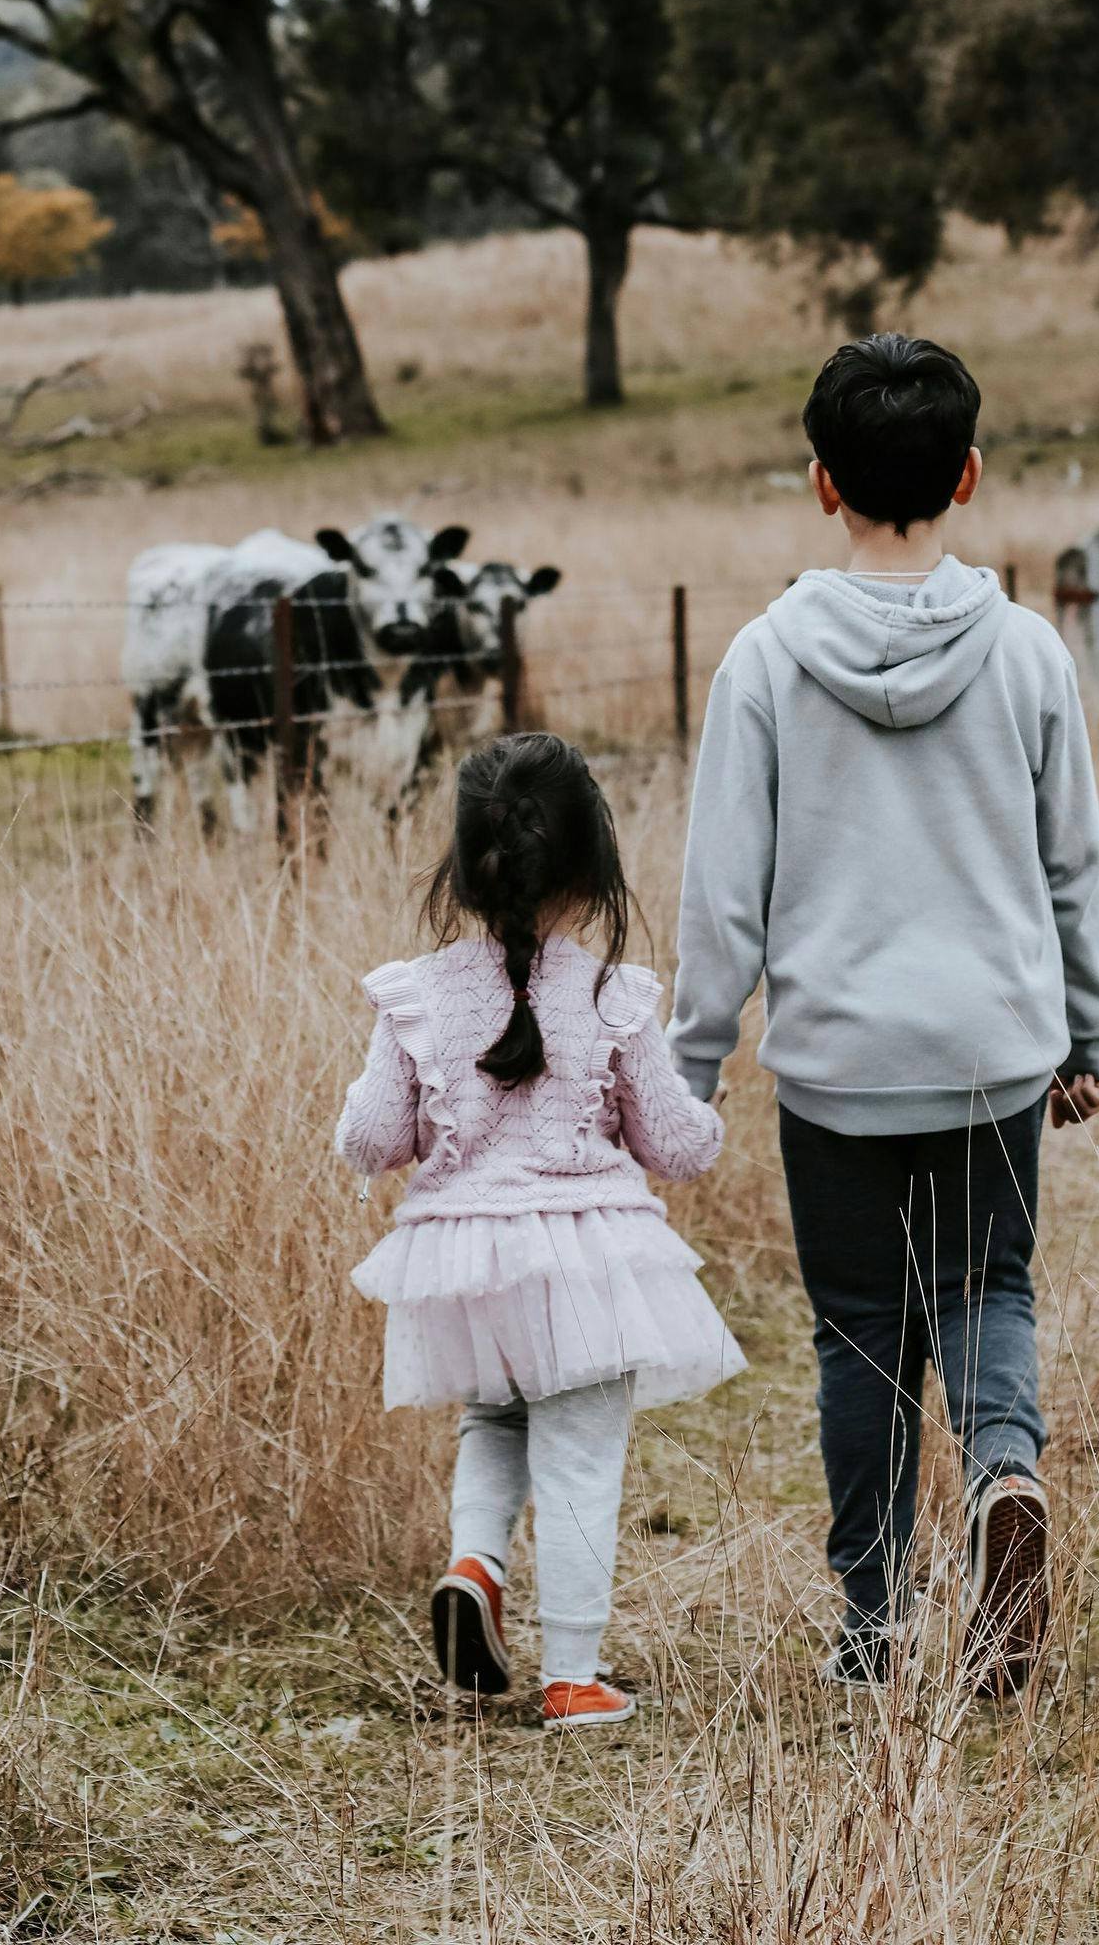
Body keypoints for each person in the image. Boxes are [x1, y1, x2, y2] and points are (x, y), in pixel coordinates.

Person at [668, 333, 1099, 1690]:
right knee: (989, 1288)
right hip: (990, 1056)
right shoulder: (1028, 654)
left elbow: (720, 887)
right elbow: (1072, 861)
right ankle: (1001, 1476)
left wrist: (692, 1060)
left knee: (861, 1331)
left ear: (822, 485)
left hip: (837, 1071)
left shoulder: (764, 660)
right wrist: (1087, 1036)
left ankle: (873, 1624)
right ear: (968, 475)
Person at [337, 731, 743, 1728]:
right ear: (590, 866)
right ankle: (571, 1674)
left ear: (464, 869)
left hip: (464, 1262)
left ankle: (473, 1568)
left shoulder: (414, 996)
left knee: (492, 1421)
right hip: (586, 1261)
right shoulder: (612, 997)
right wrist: (709, 1106)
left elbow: (368, 1139)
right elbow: (676, 1146)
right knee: (577, 1454)